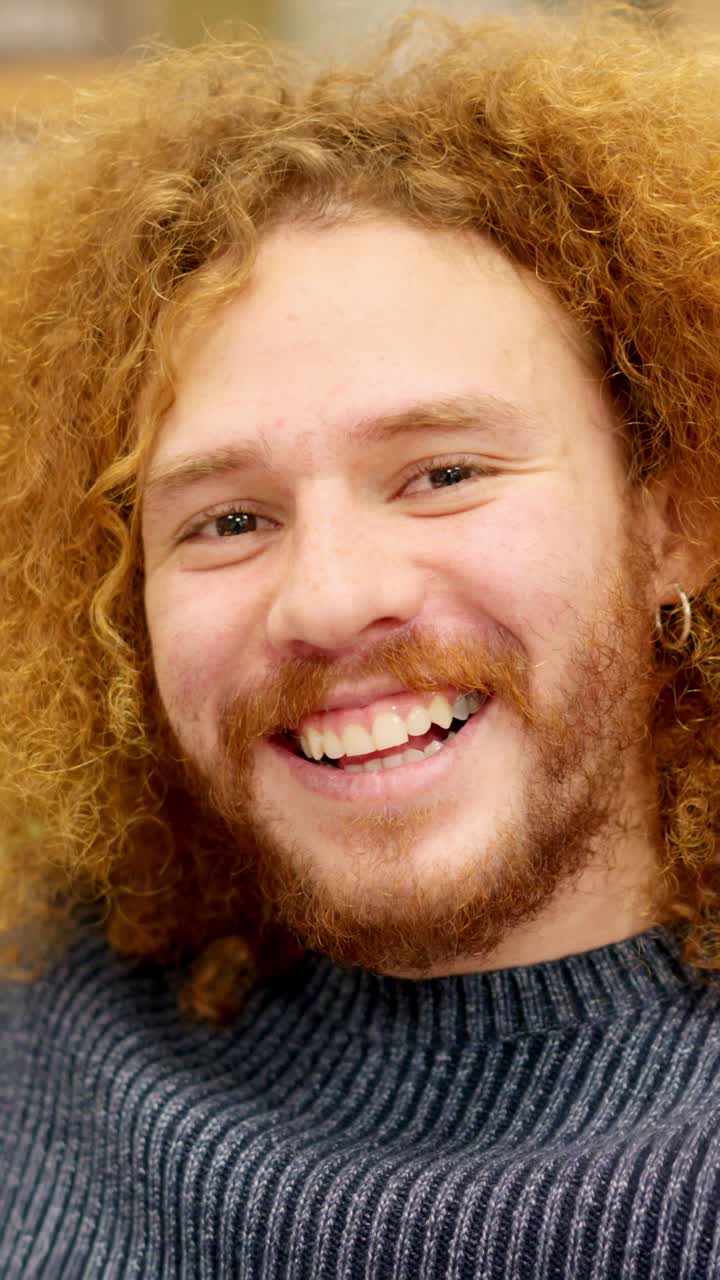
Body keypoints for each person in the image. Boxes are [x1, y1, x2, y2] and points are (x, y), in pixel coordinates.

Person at [2, 5, 720, 1276]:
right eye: (228, 518)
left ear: (674, 522)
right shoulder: (42, 1013)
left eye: (443, 470)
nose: (329, 601)